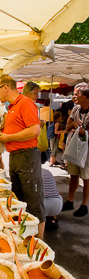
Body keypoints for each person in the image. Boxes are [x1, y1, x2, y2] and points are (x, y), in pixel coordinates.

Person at [0, 75, 45, 239]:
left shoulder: (25, 103)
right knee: (19, 200)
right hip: (15, 157)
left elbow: (34, 131)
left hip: (27, 157)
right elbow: (19, 129)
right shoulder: (12, 106)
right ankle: (24, 238)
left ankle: (39, 245)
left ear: (6, 88)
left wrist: (7, 137)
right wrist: (3, 134)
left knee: (34, 201)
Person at [62, 82, 89, 217]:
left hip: (87, 150)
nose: (74, 96)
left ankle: (84, 205)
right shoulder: (75, 109)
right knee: (73, 175)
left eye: (77, 94)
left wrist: (84, 132)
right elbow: (67, 127)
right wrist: (73, 123)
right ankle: (70, 200)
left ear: (86, 96)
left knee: (86, 177)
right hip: (74, 147)